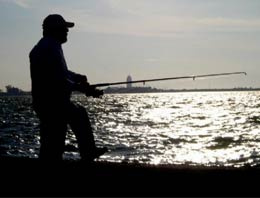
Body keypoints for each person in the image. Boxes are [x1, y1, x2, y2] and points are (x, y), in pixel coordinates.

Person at [29, 14, 107, 161]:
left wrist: (77, 77)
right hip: (53, 104)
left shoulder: (48, 46)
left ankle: (87, 151)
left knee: (51, 143)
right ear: (54, 29)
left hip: (47, 103)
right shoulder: (50, 48)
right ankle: (88, 152)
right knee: (77, 116)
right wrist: (83, 88)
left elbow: (60, 73)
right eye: (64, 28)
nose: (67, 31)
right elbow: (57, 80)